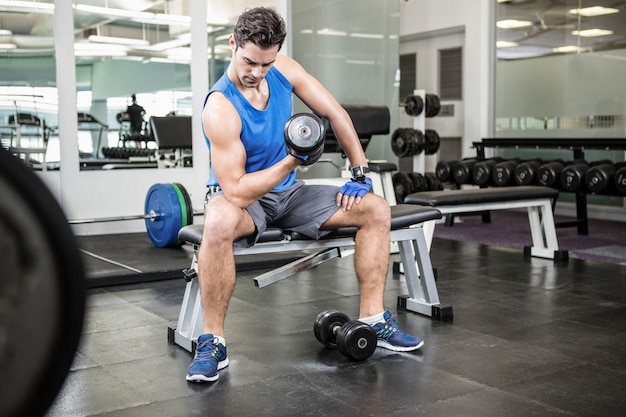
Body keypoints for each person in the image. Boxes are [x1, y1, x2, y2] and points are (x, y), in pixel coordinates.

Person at [187, 6, 424, 383]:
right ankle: (212, 341)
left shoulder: (284, 69)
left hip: (289, 194)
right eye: (250, 61)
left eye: (266, 64)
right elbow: (237, 188)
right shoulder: (220, 106)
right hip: (245, 200)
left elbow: (335, 112)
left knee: (376, 209)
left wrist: (360, 171)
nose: (257, 73)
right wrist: (292, 161)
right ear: (233, 44)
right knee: (216, 221)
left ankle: (374, 319)